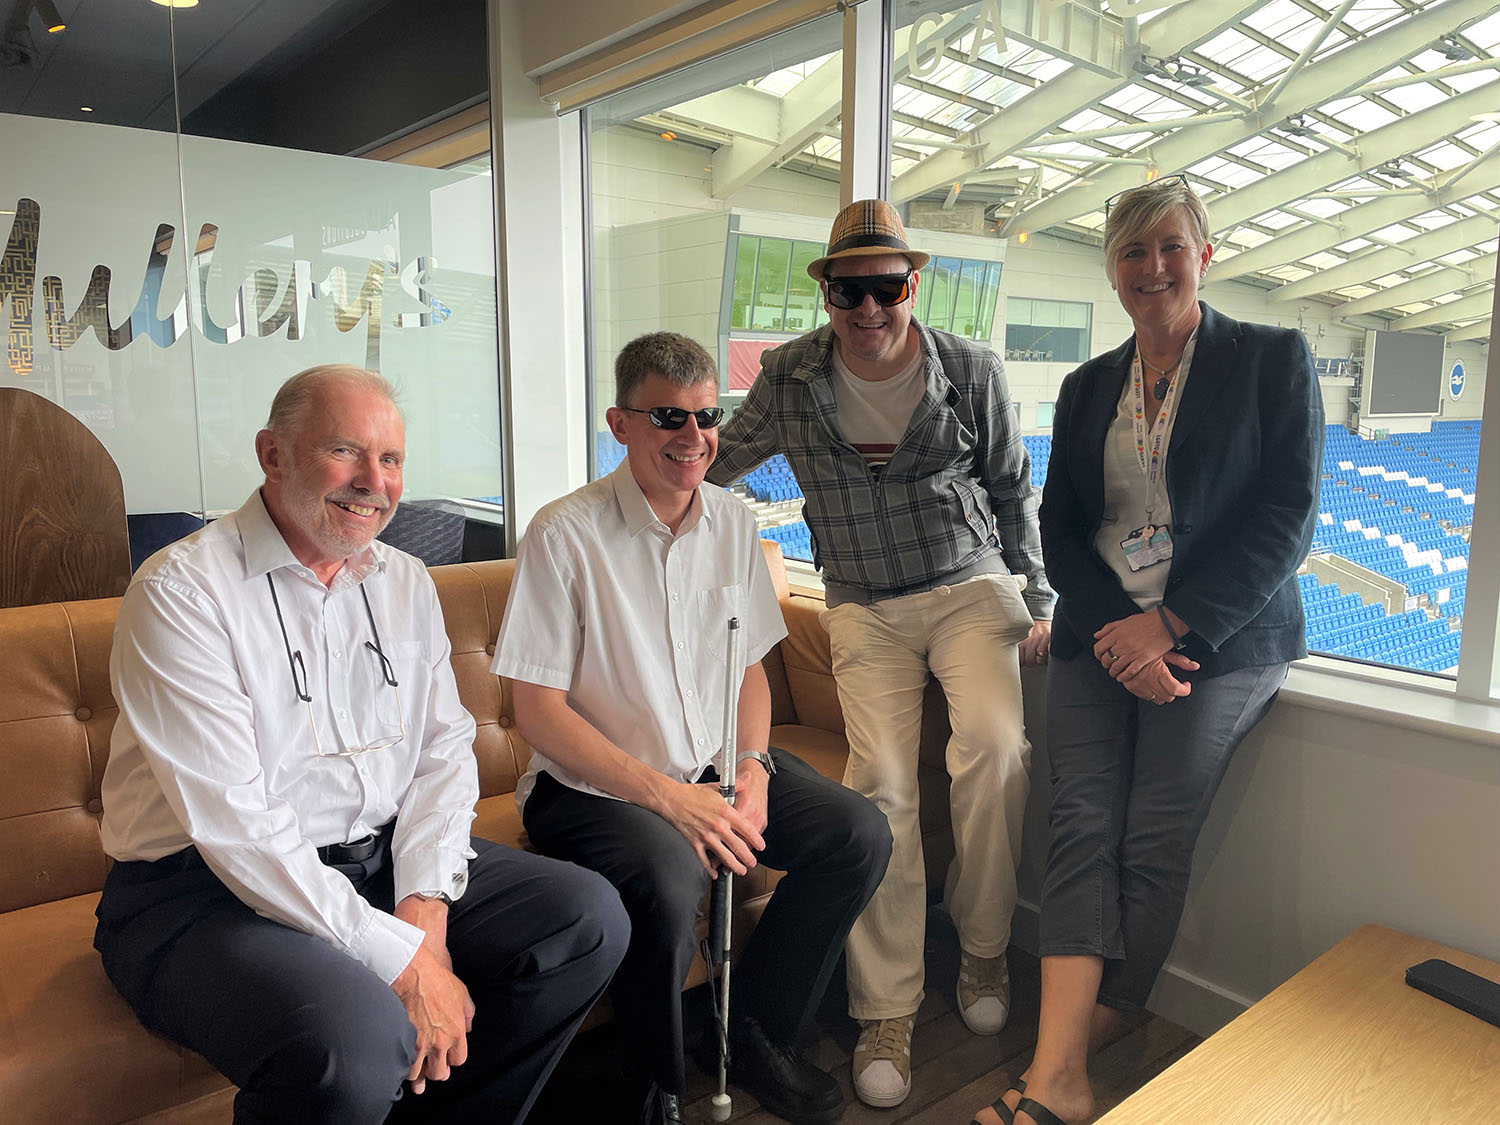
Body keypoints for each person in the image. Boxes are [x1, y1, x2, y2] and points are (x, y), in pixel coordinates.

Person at [94, 365, 630, 1125]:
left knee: (585, 918)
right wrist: (402, 958)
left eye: (391, 460)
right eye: (345, 452)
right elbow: (236, 828)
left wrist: (423, 911)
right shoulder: (183, 592)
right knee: (349, 1039)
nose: (372, 482)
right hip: (199, 893)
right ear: (272, 454)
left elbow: (442, 753)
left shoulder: (405, 581)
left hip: (372, 860)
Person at [973, 176, 1323, 1125]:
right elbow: (1062, 521)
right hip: (1102, 629)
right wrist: (1115, 633)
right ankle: (1063, 1075)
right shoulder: (1090, 386)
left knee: (1151, 837)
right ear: (1113, 271)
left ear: (1204, 254)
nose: (1152, 266)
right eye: (1132, 251)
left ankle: (1077, 1044)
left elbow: (1286, 517)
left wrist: (1171, 626)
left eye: (1170, 246)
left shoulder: (1271, 359)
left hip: (1223, 639)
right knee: (1079, 821)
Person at [495, 332, 891, 1125]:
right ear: (621, 422)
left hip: (711, 765)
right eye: (668, 415)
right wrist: (670, 802)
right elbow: (535, 711)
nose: (693, 435)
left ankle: (754, 1032)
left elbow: (749, 670)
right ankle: (656, 1086)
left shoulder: (735, 523)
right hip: (593, 786)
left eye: (707, 414)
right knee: (672, 882)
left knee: (858, 832)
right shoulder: (562, 533)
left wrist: (751, 768)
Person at [707, 199, 1052, 1108]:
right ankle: (885, 1008)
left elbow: (1014, 489)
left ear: (913, 284)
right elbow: (714, 458)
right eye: (848, 291)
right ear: (826, 294)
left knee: (995, 748)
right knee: (883, 785)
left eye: (886, 287)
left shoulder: (970, 368)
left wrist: (1039, 597)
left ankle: (982, 955)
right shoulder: (788, 377)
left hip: (970, 586)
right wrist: (618, 492)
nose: (868, 310)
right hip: (861, 601)